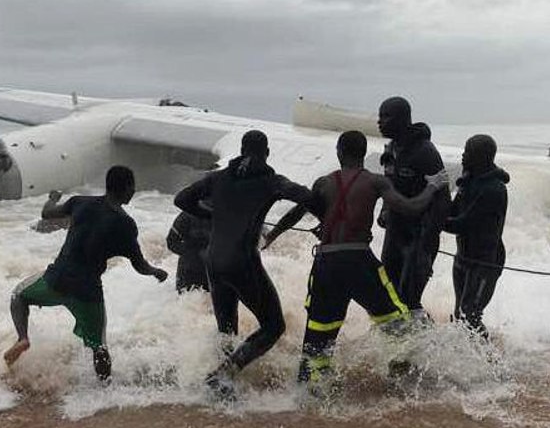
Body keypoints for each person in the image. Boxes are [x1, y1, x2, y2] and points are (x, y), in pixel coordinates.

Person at [263, 131, 450, 395]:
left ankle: (304, 395)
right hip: (359, 262)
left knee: (318, 333)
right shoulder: (376, 182)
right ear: (363, 153)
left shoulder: (323, 183)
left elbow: (299, 210)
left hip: (326, 262)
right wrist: (433, 186)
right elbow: (410, 207)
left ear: (339, 152)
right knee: (398, 322)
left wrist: (272, 235)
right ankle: (405, 382)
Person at [173, 130, 315, 398]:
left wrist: (212, 214)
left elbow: (181, 199)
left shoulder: (217, 178)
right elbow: (309, 198)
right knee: (274, 327)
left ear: (241, 150)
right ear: (267, 153)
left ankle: (222, 389)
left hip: (213, 263)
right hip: (242, 262)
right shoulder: (272, 182)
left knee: (226, 330)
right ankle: (223, 374)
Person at [4, 165, 169, 381]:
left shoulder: (80, 203)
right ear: (127, 187)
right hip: (87, 292)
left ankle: (23, 338)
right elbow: (139, 265)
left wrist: (52, 198)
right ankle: (103, 390)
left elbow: (46, 212)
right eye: (133, 187)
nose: (133, 191)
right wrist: (155, 272)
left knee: (19, 295)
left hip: (56, 280)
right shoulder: (126, 224)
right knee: (99, 347)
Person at [376, 96, 451, 320]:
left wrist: (426, 244)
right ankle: (397, 348)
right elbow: (388, 185)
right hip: (395, 232)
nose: (379, 122)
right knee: (389, 295)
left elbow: (443, 199)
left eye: (385, 116)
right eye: (379, 116)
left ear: (403, 119)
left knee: (409, 300)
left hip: (419, 237)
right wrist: (384, 211)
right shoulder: (391, 149)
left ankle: (423, 344)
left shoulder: (425, 151)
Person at [443, 134, 509, 340]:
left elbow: (464, 224)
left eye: (467, 152)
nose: (463, 156)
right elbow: (452, 211)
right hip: (463, 258)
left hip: (485, 263)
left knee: (470, 314)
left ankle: (491, 364)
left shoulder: (494, 189)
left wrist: (433, 222)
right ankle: (465, 360)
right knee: (460, 314)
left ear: (481, 157)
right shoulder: (468, 182)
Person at [166, 209, 211, 294]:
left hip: (213, 272)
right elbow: (171, 242)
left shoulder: (223, 215)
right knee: (185, 303)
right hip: (188, 272)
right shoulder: (186, 215)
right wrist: (193, 254)